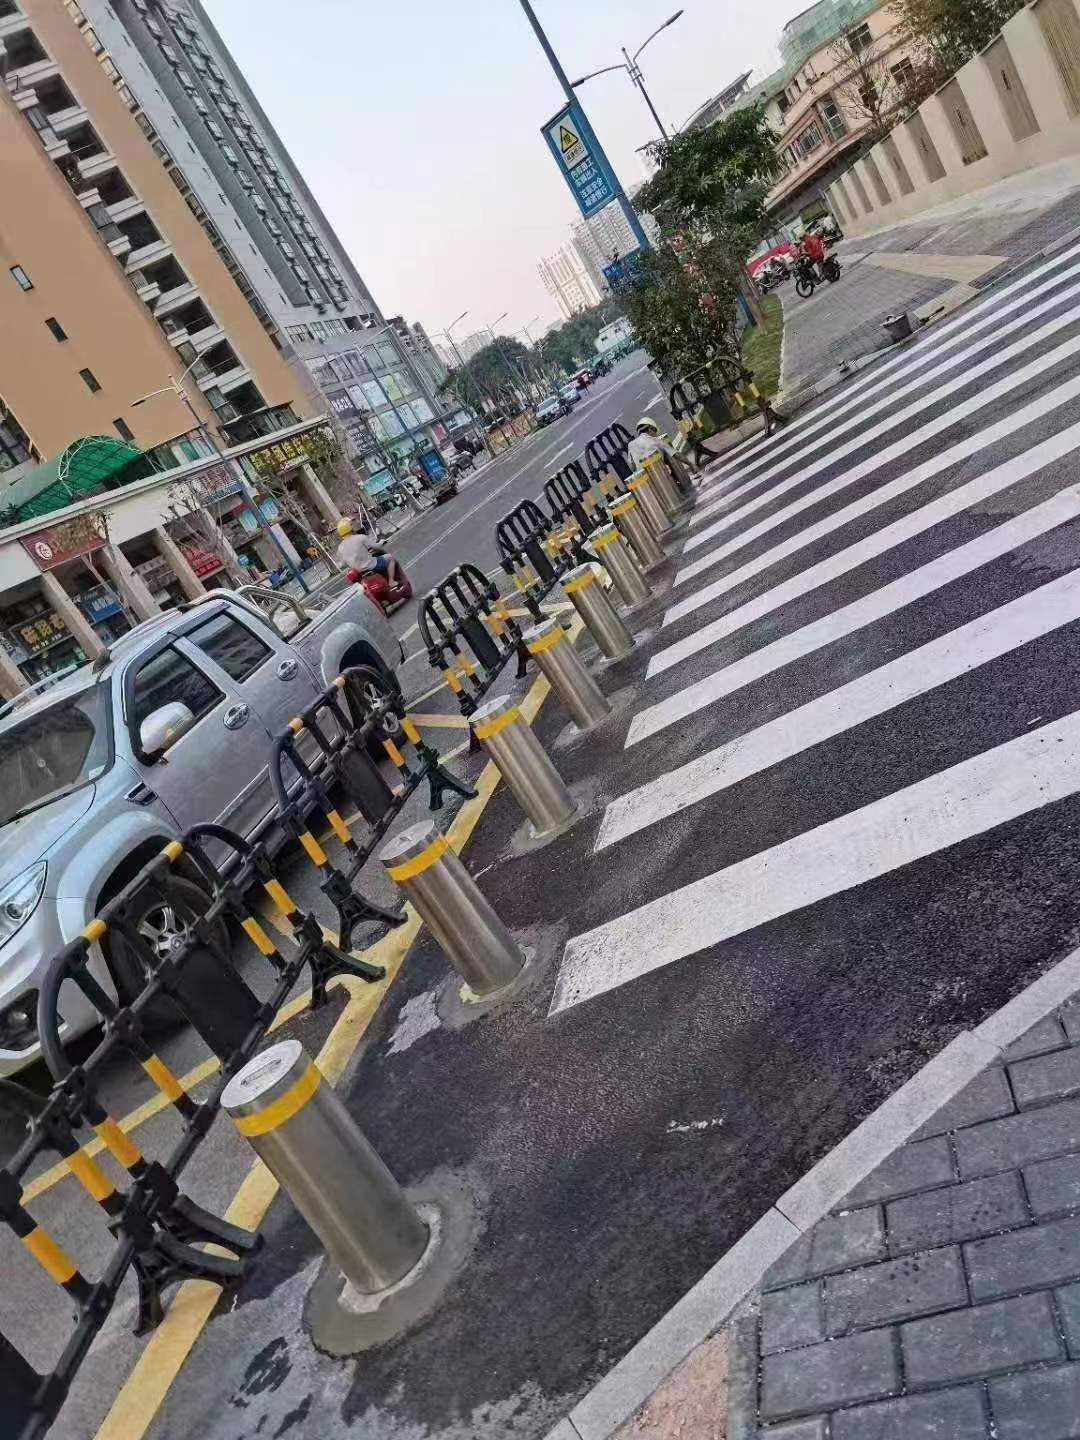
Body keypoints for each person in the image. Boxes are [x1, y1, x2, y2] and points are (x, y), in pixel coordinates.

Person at [336, 517, 401, 589]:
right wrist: (381, 542)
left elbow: (343, 564)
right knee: (390, 557)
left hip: (359, 573)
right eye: (351, 525)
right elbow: (377, 547)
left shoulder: (340, 548)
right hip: (372, 566)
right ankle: (391, 582)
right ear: (350, 528)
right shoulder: (360, 537)